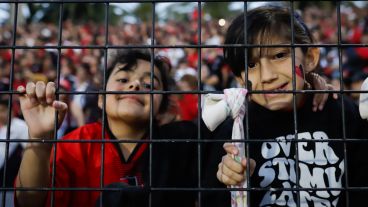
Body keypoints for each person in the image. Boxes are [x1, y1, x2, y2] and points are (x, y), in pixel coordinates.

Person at [204, 6, 368, 207]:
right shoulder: (234, 131)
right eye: (251, 65)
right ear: (239, 78)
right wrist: (232, 182)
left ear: (310, 58)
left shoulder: (342, 113)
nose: (267, 76)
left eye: (280, 55)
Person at [15, 49, 198, 207]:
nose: (135, 85)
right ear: (101, 99)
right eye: (123, 79)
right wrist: (38, 139)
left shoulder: (178, 148)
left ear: (161, 107)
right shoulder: (74, 145)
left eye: (150, 85)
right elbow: (29, 200)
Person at [0, 95, 28, 207]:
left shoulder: (20, 126)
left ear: (10, 111)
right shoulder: (2, 126)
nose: (0, 114)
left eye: (2, 111)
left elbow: (28, 148)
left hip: (9, 179)